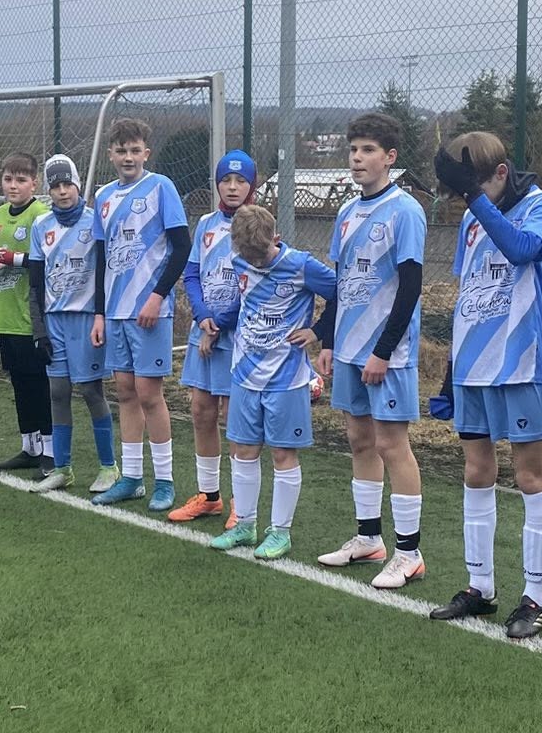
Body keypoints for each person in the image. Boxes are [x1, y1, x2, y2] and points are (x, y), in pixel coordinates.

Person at [425, 131, 542, 638]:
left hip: (518, 364)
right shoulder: (471, 215)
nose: (469, 197)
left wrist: (474, 197)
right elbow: (468, 294)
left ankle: (534, 597)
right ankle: (480, 587)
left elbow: (522, 250)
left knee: (529, 475)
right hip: (471, 370)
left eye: (477, 186)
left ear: (502, 173)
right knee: (477, 471)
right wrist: (449, 372)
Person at [315, 112, 430, 589]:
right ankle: (368, 539)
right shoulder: (346, 212)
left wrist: (383, 350)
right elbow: (340, 283)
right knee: (359, 441)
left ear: (390, 157)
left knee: (391, 445)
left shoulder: (406, 211)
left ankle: (409, 553)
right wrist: (328, 340)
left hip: (389, 354)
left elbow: (411, 287)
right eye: (353, 150)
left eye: (368, 150)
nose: (357, 158)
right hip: (348, 351)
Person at [209, 204, 336, 561]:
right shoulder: (239, 261)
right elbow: (243, 304)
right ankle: (244, 525)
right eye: (248, 256)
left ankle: (280, 532)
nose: (255, 262)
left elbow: (340, 294)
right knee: (244, 450)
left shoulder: (301, 265)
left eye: (261, 254)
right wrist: (215, 323)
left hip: (286, 377)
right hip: (244, 372)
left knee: (282, 453)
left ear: (276, 239)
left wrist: (318, 332)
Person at [88, 117, 192, 512]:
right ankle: (131, 478)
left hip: (150, 312)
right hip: (115, 314)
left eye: (135, 150)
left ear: (146, 153)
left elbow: (181, 248)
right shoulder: (103, 196)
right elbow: (101, 259)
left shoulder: (161, 187)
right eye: (121, 151)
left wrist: (156, 297)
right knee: (126, 392)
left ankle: (164, 481)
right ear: (111, 155)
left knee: (150, 393)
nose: (128, 157)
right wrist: (100, 314)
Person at [171, 149, 258, 524]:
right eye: (226, 180)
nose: (233, 187)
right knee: (201, 411)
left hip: (237, 338)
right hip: (203, 331)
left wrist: (220, 322)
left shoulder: (258, 225)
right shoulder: (206, 223)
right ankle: (209, 495)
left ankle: (242, 503)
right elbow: (192, 274)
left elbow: (257, 285)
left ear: (251, 185)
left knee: (233, 417)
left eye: (240, 181)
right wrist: (202, 315)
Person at [27, 155, 119, 494]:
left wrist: (101, 315)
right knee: (58, 391)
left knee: (92, 391)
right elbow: (35, 284)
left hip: (86, 319)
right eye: (56, 186)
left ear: (78, 186)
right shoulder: (41, 226)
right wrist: (39, 330)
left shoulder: (95, 221)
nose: (63, 191)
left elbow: (105, 273)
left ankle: (109, 467)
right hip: (55, 321)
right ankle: (62, 468)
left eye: (68, 184)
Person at [0, 153, 53, 473]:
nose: (13, 186)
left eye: (21, 180)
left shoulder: (41, 215)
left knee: (38, 383)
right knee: (19, 383)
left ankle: (50, 450)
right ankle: (29, 446)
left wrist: (11, 258)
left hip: (31, 316)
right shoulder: (0, 213)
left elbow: (47, 261)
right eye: (8, 179)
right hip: (7, 314)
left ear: (34, 184)